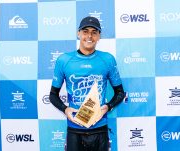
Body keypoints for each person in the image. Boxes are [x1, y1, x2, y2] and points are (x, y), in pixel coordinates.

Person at [49, 16, 125, 151]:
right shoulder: (64, 60)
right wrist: (65, 109)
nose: (89, 36)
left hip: (99, 129)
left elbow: (120, 93)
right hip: (74, 130)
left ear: (99, 36)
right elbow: (53, 95)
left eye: (94, 32)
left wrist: (107, 107)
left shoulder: (107, 59)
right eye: (85, 31)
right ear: (78, 33)